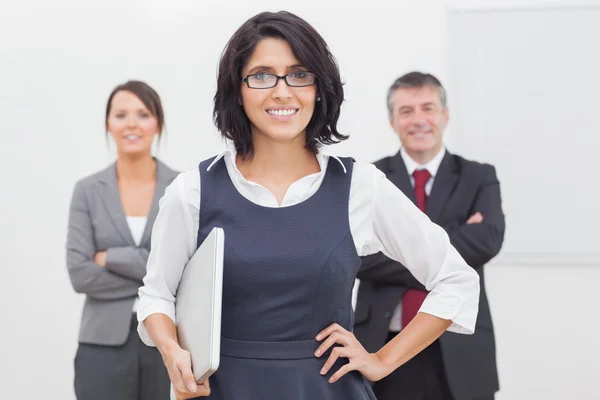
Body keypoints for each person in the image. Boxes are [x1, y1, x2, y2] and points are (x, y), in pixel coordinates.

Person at [137, 12, 480, 400]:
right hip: (224, 390)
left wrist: (383, 360)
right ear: (237, 89)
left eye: (299, 74)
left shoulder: (359, 187)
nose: (282, 92)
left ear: (319, 88)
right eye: (262, 75)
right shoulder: (193, 191)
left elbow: (455, 279)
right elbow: (156, 295)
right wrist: (172, 351)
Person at [354, 72, 505, 400]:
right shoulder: (367, 179)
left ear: (445, 115)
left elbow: (487, 241)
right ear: (392, 121)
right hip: (383, 343)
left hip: (459, 342)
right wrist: (452, 242)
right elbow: (358, 258)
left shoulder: (479, 176)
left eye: (428, 108)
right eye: (406, 111)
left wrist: (397, 249)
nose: (419, 120)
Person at [66, 80, 178, 400]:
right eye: (121, 115)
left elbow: (187, 274)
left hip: (168, 342)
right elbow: (79, 273)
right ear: (107, 124)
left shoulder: (183, 188)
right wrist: (158, 277)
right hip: (101, 345)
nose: (131, 124)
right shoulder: (87, 190)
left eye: (143, 114)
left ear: (158, 123)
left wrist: (109, 257)